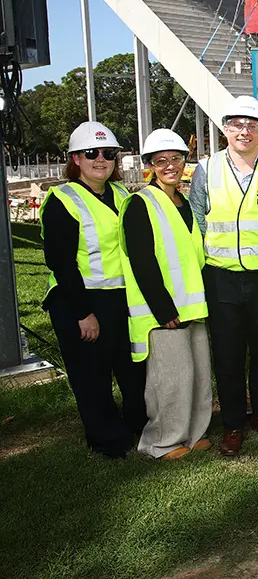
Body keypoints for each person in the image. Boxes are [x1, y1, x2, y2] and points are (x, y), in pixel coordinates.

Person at [190, 95, 258, 456]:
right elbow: (197, 219)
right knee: (229, 353)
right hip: (220, 277)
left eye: (252, 125)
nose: (244, 131)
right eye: (236, 124)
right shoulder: (207, 168)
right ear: (225, 128)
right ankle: (233, 422)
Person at [40, 121, 146, 458]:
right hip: (79, 298)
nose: (100, 159)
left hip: (119, 297)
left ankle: (136, 428)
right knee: (92, 377)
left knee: (130, 370)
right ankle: (108, 442)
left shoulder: (121, 195)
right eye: (91, 153)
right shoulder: (63, 199)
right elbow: (61, 262)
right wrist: (83, 313)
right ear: (75, 159)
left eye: (109, 153)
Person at [120, 129, 212, 459]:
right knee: (170, 380)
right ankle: (162, 441)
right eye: (161, 161)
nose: (170, 166)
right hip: (164, 312)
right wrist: (162, 309)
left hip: (192, 307)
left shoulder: (183, 202)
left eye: (176, 159)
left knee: (198, 376)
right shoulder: (140, 204)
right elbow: (141, 260)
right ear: (149, 165)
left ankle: (193, 432)